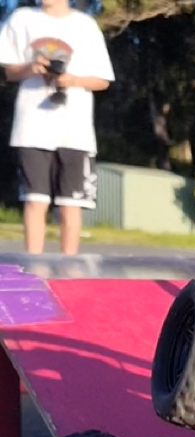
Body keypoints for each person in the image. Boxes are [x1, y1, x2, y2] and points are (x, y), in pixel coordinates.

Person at [0, 0, 113, 255]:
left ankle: (68, 271)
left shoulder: (85, 25)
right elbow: (9, 71)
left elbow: (103, 80)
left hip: (76, 132)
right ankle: (32, 268)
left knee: (71, 206)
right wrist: (32, 68)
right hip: (31, 128)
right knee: (34, 200)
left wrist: (71, 80)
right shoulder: (22, 18)